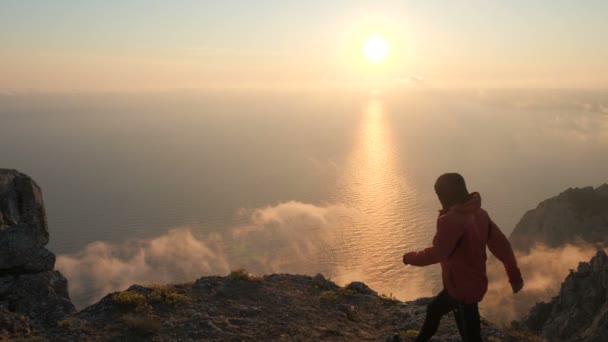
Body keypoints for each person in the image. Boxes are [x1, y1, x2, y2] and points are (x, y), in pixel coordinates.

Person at [402, 173, 524, 342]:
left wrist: (409, 258)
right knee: (435, 310)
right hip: (469, 283)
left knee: (469, 334)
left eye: (439, 195)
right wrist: (514, 274)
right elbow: (501, 245)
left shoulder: (451, 221)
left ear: (445, 195)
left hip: (462, 289)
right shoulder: (480, 214)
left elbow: (438, 253)